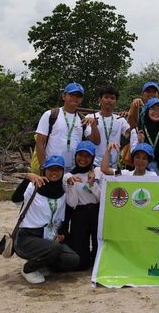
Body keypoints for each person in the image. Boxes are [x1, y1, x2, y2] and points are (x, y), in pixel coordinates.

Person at [12, 156, 80, 284]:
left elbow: (62, 220)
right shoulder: (34, 187)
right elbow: (15, 199)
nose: (54, 173)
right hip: (27, 237)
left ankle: (42, 264)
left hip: (48, 236)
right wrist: (27, 178)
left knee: (72, 259)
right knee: (54, 248)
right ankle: (28, 269)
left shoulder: (62, 191)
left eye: (58, 169)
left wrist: (62, 235)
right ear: (44, 170)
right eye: (50, 169)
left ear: (62, 172)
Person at [35, 82, 100, 170]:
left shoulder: (82, 119)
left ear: (81, 99)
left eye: (78, 96)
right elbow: (40, 143)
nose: (75, 98)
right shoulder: (51, 115)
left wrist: (94, 126)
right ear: (64, 96)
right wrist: (43, 167)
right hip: (53, 167)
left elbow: (96, 141)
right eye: (72, 94)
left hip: (74, 169)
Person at [63, 141, 101, 270]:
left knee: (98, 254)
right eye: (80, 155)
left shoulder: (98, 172)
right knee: (81, 263)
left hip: (96, 212)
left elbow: (99, 198)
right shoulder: (69, 176)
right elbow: (72, 203)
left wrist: (92, 184)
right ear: (75, 156)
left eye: (87, 156)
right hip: (79, 214)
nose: (83, 159)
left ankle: (95, 256)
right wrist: (71, 185)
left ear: (92, 158)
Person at [88, 85, 130, 170]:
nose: (109, 100)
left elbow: (130, 135)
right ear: (100, 100)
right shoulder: (90, 117)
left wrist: (131, 116)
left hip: (113, 167)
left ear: (116, 101)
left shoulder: (120, 119)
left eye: (112, 98)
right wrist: (93, 126)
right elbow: (92, 140)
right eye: (106, 97)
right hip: (94, 165)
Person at [129, 97, 159, 174]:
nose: (156, 112)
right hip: (143, 172)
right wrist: (141, 143)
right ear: (147, 110)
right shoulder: (137, 130)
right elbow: (133, 154)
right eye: (153, 109)